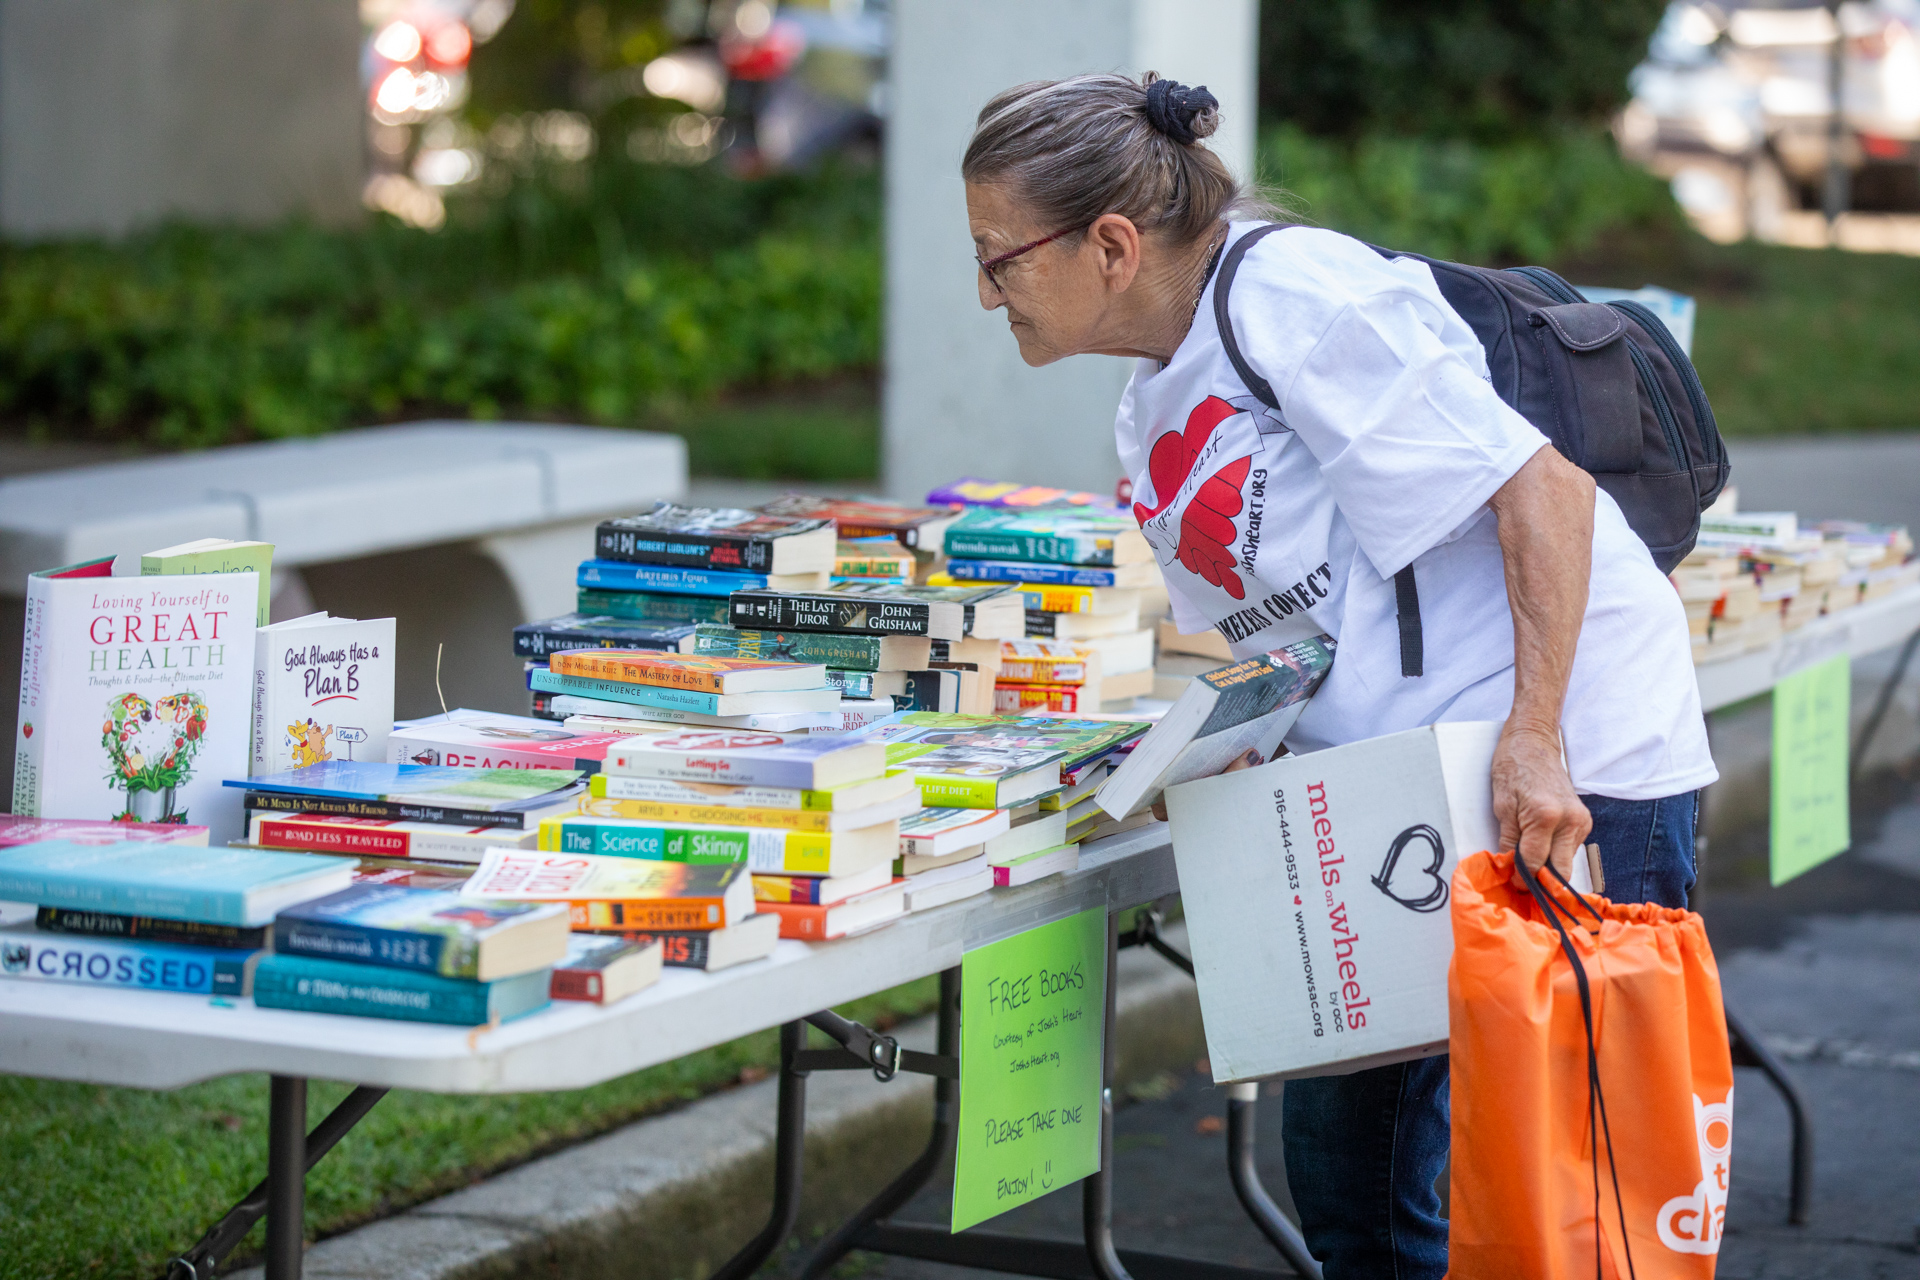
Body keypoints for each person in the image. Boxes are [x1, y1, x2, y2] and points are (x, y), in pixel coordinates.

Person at [960, 72, 1718, 1279]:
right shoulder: (1152, 389)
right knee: (1354, 1186)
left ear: (1109, 244)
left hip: (1566, 767)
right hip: (1398, 796)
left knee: (1576, 1201)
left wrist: (1536, 736)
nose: (986, 289)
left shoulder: (1299, 295)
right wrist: (1201, 752)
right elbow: (1298, 625)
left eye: (998, 257)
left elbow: (1548, 492)